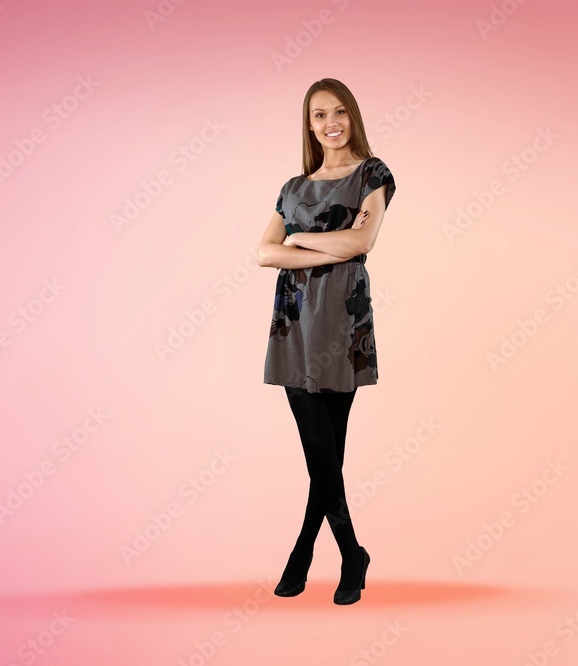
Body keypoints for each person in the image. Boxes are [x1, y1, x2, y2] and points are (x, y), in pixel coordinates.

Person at [256, 78, 396, 605]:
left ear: (352, 116)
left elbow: (362, 241)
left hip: (341, 321)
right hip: (292, 324)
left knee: (323, 453)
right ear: (309, 124)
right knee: (323, 455)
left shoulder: (372, 174)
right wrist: (324, 249)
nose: (330, 123)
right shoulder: (293, 187)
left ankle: (305, 552)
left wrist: (299, 240)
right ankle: (350, 553)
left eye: (339, 112)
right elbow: (264, 254)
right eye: (319, 115)